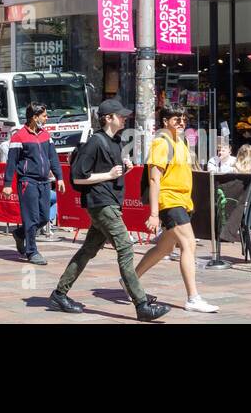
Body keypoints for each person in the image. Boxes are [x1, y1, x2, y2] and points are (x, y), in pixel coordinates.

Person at [50, 98, 169, 320]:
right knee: (125, 248)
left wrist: (122, 170)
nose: (124, 118)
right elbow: (78, 177)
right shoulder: (96, 141)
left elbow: (109, 174)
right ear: (108, 118)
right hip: (101, 205)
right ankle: (141, 304)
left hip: (109, 202)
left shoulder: (115, 141)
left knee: (88, 250)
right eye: (120, 115)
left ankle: (59, 294)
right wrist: (109, 175)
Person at [134, 104, 218, 313]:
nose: (181, 122)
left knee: (165, 248)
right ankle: (193, 297)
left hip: (182, 201)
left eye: (183, 118)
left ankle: (130, 281)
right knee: (188, 244)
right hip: (169, 201)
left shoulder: (181, 141)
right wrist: (154, 214)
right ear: (165, 121)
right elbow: (154, 180)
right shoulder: (161, 143)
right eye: (176, 119)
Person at [1, 102, 64, 266]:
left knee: (43, 217)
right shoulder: (19, 136)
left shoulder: (46, 135)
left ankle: (20, 234)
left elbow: (53, 158)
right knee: (31, 218)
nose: (47, 118)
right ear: (35, 118)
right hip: (27, 182)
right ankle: (32, 251)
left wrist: (60, 177)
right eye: (44, 115)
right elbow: (11, 162)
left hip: (44, 182)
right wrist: (7, 183)